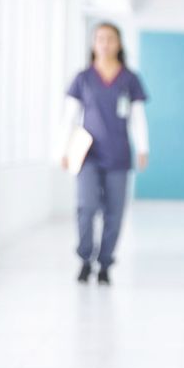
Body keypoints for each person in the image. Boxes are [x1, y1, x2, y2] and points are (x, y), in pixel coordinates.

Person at [63, 22, 148, 285]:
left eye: (110, 39)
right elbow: (69, 116)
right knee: (86, 207)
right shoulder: (83, 78)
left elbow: (138, 117)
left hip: (119, 155)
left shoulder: (129, 79)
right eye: (100, 38)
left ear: (119, 44)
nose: (105, 43)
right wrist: (63, 149)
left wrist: (143, 148)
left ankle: (104, 263)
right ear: (93, 43)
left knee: (114, 212)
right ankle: (85, 258)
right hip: (87, 154)